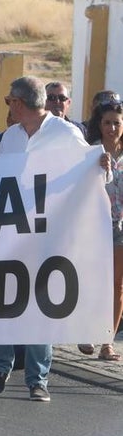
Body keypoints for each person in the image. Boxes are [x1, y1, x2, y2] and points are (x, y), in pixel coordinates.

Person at [0, 76, 107, 402]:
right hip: (11, 235)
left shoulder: (65, 134)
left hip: (49, 237)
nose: (8, 105)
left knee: (40, 307)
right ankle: (1, 366)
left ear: (20, 103)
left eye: (10, 100)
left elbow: (93, 168)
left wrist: (103, 164)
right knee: (5, 304)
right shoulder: (10, 137)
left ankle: (37, 380)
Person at [77, 95, 123, 362]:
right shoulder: (90, 152)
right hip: (95, 226)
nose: (113, 128)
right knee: (91, 280)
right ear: (100, 124)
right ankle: (86, 329)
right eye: (108, 123)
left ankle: (107, 342)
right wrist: (94, 167)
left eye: (117, 123)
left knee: (116, 286)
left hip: (120, 226)